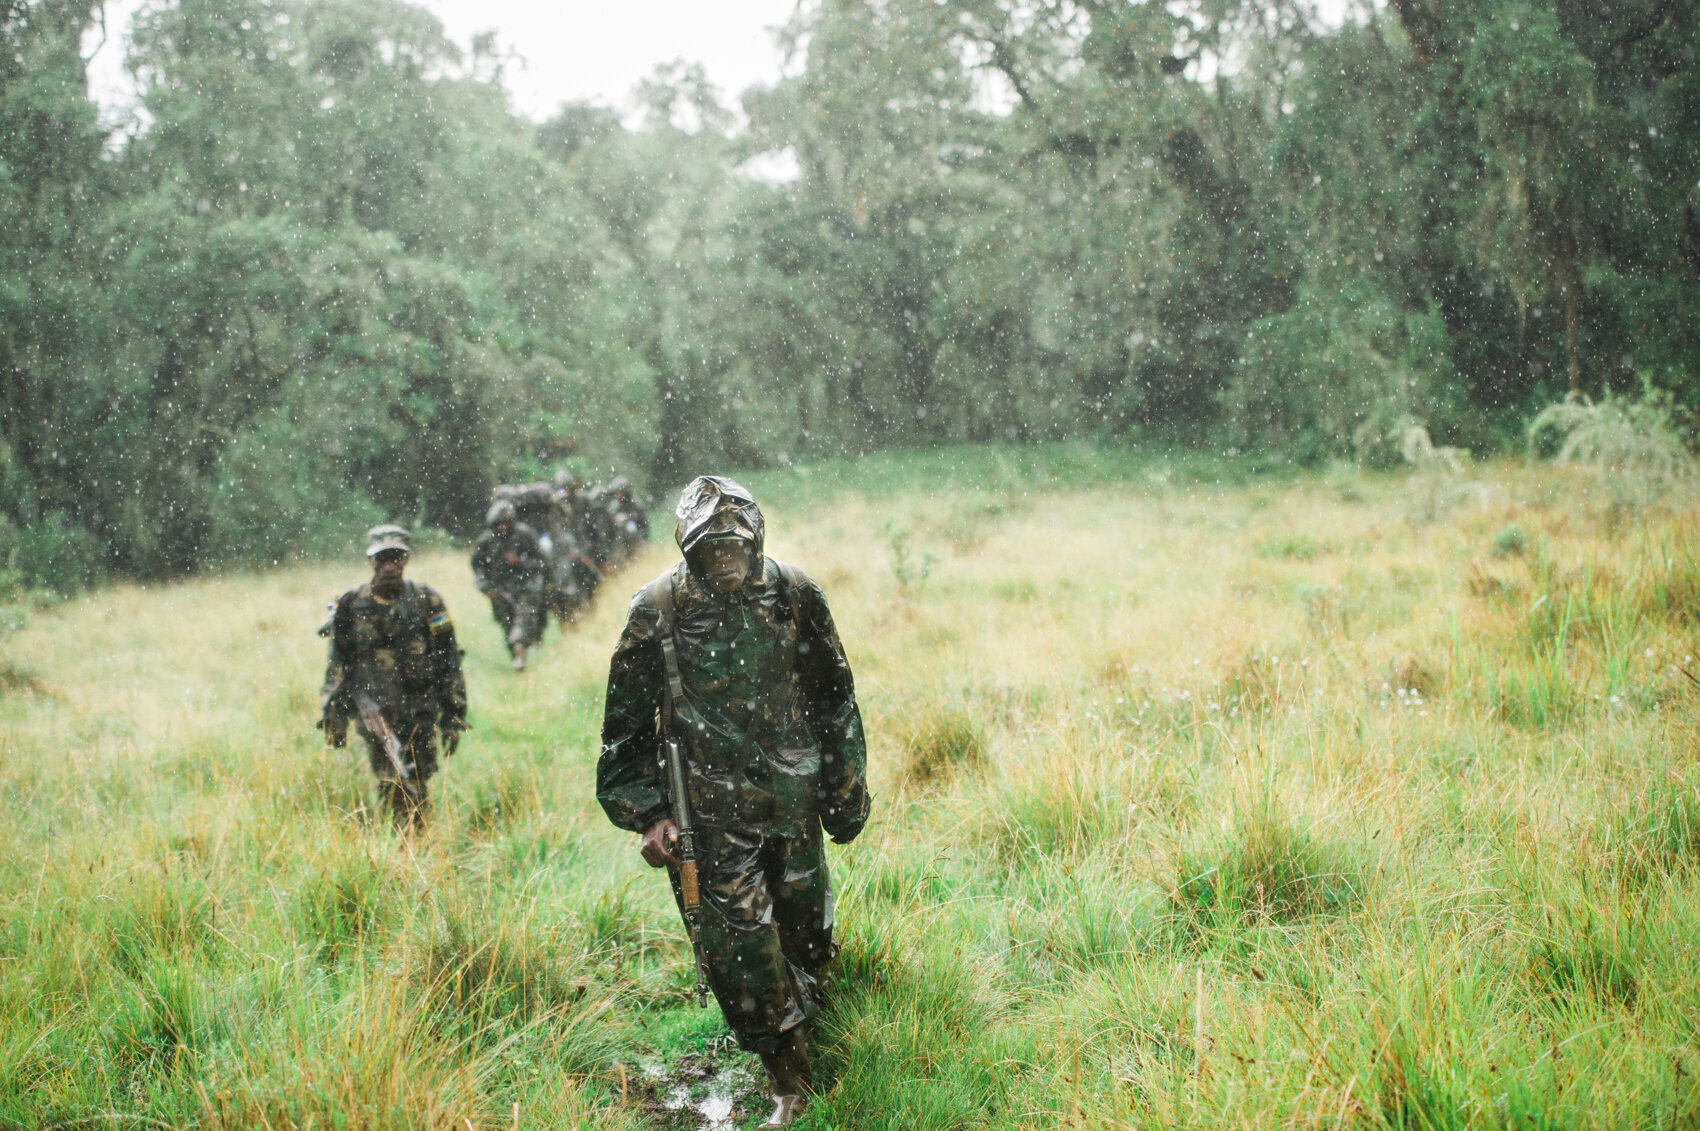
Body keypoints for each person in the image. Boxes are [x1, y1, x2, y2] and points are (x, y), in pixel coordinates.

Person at [596, 476, 870, 1127]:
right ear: (689, 548)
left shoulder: (796, 594)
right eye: (710, 548)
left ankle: (812, 1031)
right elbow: (625, 729)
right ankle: (789, 1082)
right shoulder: (657, 609)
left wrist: (845, 789)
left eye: (735, 546)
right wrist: (648, 812)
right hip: (709, 817)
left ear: (756, 540)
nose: (725, 559)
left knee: (806, 938)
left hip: (791, 801)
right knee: (744, 949)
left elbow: (834, 698)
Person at [318, 525, 468, 830]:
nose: (390, 566)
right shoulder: (349, 604)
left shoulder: (428, 601)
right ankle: (406, 841)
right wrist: (333, 718)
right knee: (390, 778)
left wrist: (453, 717)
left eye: (396, 558)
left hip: (421, 709)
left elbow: (448, 660)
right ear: (370, 561)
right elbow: (337, 665)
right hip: (374, 710)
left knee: (418, 776)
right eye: (382, 558)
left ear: (407, 559)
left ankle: (417, 838)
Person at [471, 499, 550, 670]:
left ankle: (520, 652)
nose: (502, 528)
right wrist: (486, 587)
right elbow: (478, 568)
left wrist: (521, 563)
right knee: (507, 625)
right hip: (499, 592)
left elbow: (542, 562)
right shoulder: (485, 541)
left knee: (523, 621)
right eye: (498, 524)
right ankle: (517, 654)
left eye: (505, 523)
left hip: (525, 588)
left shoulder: (525, 535)